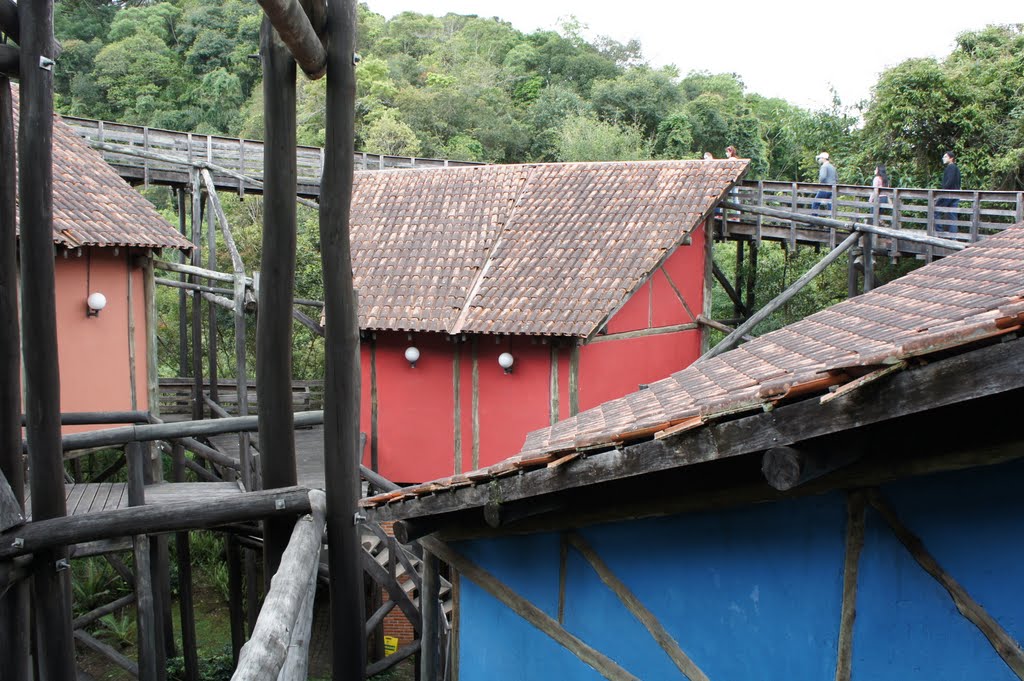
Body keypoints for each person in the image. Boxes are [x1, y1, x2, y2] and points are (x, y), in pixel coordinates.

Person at [936, 151, 961, 234]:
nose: (944, 158)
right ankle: (953, 235)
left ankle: (939, 231)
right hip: (956, 194)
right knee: (953, 215)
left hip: (948, 194)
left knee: (936, 210)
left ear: (951, 158)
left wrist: (943, 190)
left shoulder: (951, 167)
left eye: (946, 157)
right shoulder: (956, 168)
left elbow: (949, 181)